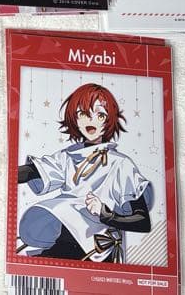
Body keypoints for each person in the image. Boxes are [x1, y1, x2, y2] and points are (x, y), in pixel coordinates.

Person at [16, 83, 152, 263]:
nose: (90, 121)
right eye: (83, 114)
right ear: (75, 118)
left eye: (100, 115)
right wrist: (4, 172)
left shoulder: (121, 164)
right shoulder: (68, 156)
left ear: (109, 120)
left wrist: (107, 215)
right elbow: (33, 171)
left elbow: (143, 221)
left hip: (97, 252)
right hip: (64, 240)